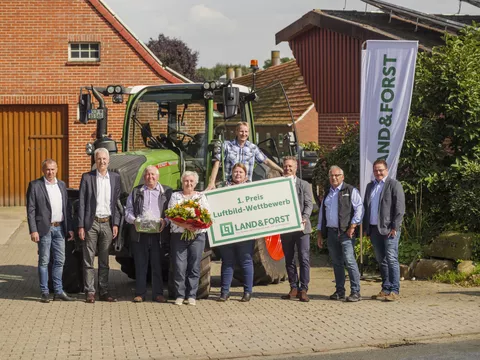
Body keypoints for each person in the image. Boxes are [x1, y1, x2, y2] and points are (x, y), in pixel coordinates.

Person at [26, 159, 75, 303]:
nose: (50, 172)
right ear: (43, 170)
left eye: (53, 169)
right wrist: (33, 230)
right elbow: (31, 210)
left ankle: (58, 291)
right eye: (47, 169)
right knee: (44, 261)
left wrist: (70, 228)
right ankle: (45, 292)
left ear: (57, 169)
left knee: (60, 261)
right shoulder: (35, 185)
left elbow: (66, 209)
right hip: (44, 229)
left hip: (60, 228)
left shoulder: (61, 185)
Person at [78, 148, 121, 303]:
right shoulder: (87, 177)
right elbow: (82, 203)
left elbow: (116, 203)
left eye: (104, 159)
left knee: (104, 261)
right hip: (92, 224)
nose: (102, 162)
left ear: (108, 161)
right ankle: (90, 291)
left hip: (107, 223)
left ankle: (103, 291)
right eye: (99, 159)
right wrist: (81, 226)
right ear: (95, 161)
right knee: (88, 260)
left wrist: (115, 223)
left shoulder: (115, 178)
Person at [125, 166, 172, 303]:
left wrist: (166, 221)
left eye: (153, 174)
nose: (150, 177)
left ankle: (158, 294)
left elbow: (171, 212)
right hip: (140, 234)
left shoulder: (166, 192)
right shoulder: (136, 191)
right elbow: (128, 211)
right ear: (144, 176)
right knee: (140, 264)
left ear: (158, 177)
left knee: (157, 264)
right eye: (147, 174)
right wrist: (134, 221)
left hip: (158, 234)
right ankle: (140, 293)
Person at [317, 166, 364, 302]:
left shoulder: (350, 190)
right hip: (331, 233)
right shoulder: (327, 193)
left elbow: (359, 209)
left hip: (346, 232)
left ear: (342, 177)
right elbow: (322, 215)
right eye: (332, 175)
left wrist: (353, 226)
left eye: (337, 175)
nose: (334, 178)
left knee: (349, 261)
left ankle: (356, 292)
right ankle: (340, 291)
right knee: (337, 263)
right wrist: (320, 233)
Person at [363, 159, 405, 302]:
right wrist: (366, 230)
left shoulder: (394, 185)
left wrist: (395, 227)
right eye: (376, 170)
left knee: (392, 259)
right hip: (374, 229)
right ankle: (386, 288)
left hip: (389, 229)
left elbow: (400, 209)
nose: (378, 173)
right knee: (382, 260)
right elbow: (366, 208)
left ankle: (394, 290)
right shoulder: (370, 186)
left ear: (386, 170)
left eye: (381, 170)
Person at [168, 171, 209, 306]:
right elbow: (171, 215)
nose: (188, 184)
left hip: (197, 236)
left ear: (195, 183)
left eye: (191, 181)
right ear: (182, 182)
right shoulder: (175, 196)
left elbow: (206, 215)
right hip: (178, 235)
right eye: (186, 181)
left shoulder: (200, 197)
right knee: (179, 266)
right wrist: (184, 224)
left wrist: (195, 226)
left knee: (194, 266)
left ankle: (191, 295)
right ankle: (180, 295)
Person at [217, 163, 254, 303]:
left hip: (245, 231)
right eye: (235, 172)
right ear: (231, 173)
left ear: (245, 175)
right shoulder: (223, 188)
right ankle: (225, 292)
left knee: (246, 261)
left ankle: (247, 292)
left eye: (240, 172)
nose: (238, 174)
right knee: (227, 262)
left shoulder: (252, 189)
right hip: (228, 231)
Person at [206, 121, 283, 189]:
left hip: (246, 186)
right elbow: (217, 163)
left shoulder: (253, 148)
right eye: (241, 131)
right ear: (236, 132)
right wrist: (211, 182)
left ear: (248, 133)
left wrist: (281, 170)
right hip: (229, 186)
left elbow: (266, 161)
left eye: (246, 132)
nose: (244, 134)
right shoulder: (227, 145)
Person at [280, 156, 313, 302]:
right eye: (285, 166)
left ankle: (303, 289)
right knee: (289, 258)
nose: (287, 168)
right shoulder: (277, 185)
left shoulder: (304, 184)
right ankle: (293, 286)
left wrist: (304, 217)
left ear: (296, 167)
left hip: (302, 228)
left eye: (290, 166)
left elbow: (309, 204)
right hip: (286, 228)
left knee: (303, 258)